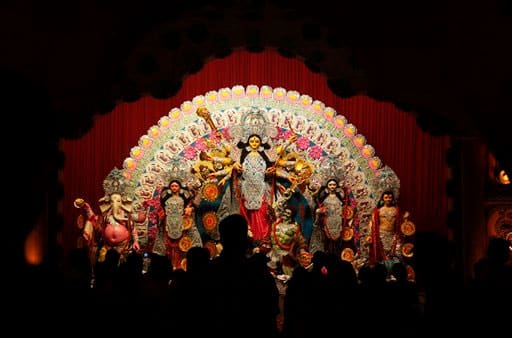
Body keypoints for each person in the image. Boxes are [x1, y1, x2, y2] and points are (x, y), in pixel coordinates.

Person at [74, 168, 140, 265]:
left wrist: (136, 241)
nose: (115, 203)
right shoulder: (105, 215)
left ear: (123, 203)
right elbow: (94, 220)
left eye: (118, 201)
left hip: (123, 247)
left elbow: (133, 228)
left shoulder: (126, 215)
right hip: (107, 246)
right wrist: (86, 207)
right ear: (108, 202)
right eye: (112, 201)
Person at [157, 178, 203, 270]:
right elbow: (161, 210)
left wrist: (190, 210)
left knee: (183, 244)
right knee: (169, 247)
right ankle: (171, 264)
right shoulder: (165, 198)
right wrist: (162, 216)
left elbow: (194, 204)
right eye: (172, 186)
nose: (174, 188)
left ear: (179, 187)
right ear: (169, 188)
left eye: (176, 186)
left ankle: (181, 265)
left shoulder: (185, 198)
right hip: (169, 225)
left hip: (183, 225)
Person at [310, 178, 350, 257]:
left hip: (338, 221)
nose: (332, 186)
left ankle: (338, 257)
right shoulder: (323, 198)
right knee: (327, 243)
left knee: (338, 243)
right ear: (327, 186)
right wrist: (318, 212)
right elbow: (317, 208)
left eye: (334, 185)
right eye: (330, 185)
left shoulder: (340, 197)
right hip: (327, 222)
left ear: (336, 186)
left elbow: (346, 209)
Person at [367, 190, 408, 266]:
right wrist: (369, 235)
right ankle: (382, 272)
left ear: (392, 199)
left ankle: (394, 271)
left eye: (390, 197)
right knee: (381, 255)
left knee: (396, 254)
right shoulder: (378, 211)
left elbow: (401, 222)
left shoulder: (397, 210)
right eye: (386, 197)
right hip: (381, 235)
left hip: (393, 235)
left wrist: (405, 220)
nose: (388, 199)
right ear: (382, 199)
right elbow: (372, 223)